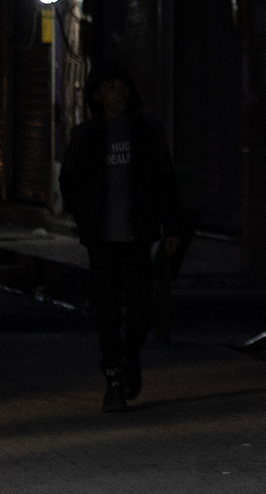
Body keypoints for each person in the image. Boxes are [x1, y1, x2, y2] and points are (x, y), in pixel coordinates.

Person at [57, 58, 191, 411]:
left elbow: (165, 179)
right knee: (107, 312)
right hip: (101, 239)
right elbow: (68, 180)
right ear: (97, 95)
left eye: (123, 86)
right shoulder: (86, 136)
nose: (120, 93)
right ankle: (113, 380)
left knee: (141, 308)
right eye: (111, 88)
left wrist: (171, 226)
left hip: (137, 236)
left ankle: (131, 355)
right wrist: (84, 216)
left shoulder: (147, 131)